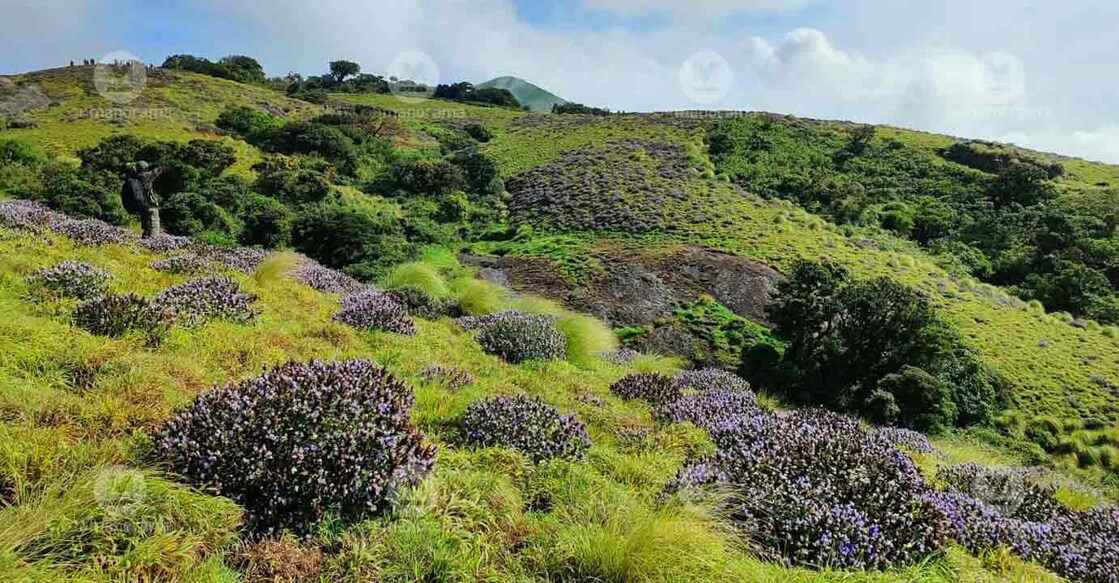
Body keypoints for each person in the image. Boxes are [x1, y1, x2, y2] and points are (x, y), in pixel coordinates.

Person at [121, 161, 165, 238]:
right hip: (150, 208)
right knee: (153, 231)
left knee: (146, 230)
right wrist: (152, 165)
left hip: (143, 209)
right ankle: (151, 246)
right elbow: (159, 169)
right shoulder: (145, 176)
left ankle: (144, 246)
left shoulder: (133, 177)